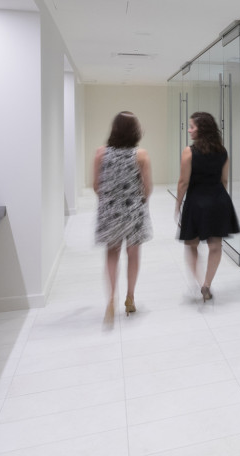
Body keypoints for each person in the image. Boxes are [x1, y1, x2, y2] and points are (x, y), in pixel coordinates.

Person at [94, 111, 152, 325]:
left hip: (110, 210)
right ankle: (130, 297)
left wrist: (110, 201)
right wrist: (136, 201)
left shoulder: (101, 153)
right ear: (135, 131)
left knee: (112, 253)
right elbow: (148, 187)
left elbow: (96, 186)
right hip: (133, 210)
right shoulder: (141, 155)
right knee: (133, 254)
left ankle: (111, 299)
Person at [176, 111, 240, 301]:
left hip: (196, 202)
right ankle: (207, 284)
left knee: (192, 244)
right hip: (219, 201)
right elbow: (224, 180)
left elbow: (183, 182)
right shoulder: (222, 151)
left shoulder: (189, 151)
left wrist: (178, 204)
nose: (189, 130)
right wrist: (219, 199)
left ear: (201, 129)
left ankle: (198, 282)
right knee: (215, 245)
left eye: (192, 127)